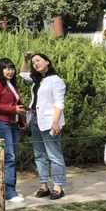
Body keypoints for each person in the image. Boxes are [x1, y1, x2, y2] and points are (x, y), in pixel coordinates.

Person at [22, 52, 67, 199]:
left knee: (54, 154)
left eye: (38, 60)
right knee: (39, 154)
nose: (36, 63)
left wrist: (55, 122)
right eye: (34, 62)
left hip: (49, 121)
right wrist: (26, 60)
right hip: (35, 119)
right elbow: (23, 73)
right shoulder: (37, 79)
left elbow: (59, 103)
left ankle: (58, 187)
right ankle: (43, 185)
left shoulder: (56, 80)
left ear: (47, 62)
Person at [0, 58, 26, 205]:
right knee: (9, 156)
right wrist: (13, 109)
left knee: (14, 156)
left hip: (13, 123)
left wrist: (22, 120)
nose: (10, 71)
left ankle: (11, 189)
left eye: (11, 68)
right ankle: (8, 192)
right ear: (0, 70)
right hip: (2, 123)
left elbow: (16, 104)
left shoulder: (11, 84)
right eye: (6, 68)